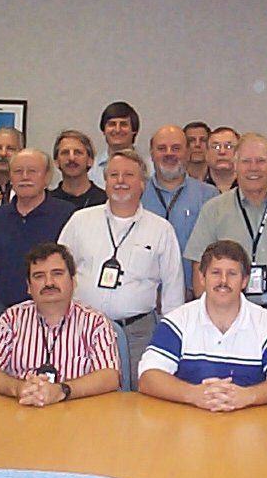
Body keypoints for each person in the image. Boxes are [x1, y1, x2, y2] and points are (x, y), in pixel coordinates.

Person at [58, 149, 184, 379]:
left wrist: (170, 340)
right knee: (82, 398)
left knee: (136, 401)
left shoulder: (161, 229)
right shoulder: (80, 221)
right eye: (114, 175)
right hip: (82, 331)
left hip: (136, 334)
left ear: (142, 184)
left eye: (128, 175)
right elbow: (59, 274)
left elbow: (173, 291)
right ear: (105, 182)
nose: (120, 181)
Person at [138, 240, 267, 410]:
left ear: (245, 280)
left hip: (251, 427)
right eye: (215, 273)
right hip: (188, 426)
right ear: (202, 278)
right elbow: (148, 377)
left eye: (232, 274)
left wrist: (248, 396)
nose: (223, 281)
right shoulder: (177, 322)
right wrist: (194, 395)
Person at [186, 133, 267, 346]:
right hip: (226, 314)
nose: (254, 168)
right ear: (235, 166)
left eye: (261, 161)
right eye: (246, 161)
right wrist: (208, 318)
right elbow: (199, 266)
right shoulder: (213, 210)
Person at [0, 242, 120, 405]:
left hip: (78, 416)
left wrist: (62, 391)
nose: (49, 282)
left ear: (73, 281)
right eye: (39, 276)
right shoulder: (11, 319)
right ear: (29, 286)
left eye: (57, 274)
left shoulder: (95, 322)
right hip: (22, 412)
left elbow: (110, 376)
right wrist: (18, 388)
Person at [0, 149, 75, 321]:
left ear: (47, 177)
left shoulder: (67, 215)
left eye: (32, 171)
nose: (25, 177)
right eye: (18, 172)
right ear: (10, 177)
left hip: (52, 312)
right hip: (4, 313)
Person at [141, 125, 218, 296]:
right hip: (145, 297)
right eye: (162, 148)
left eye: (176, 148)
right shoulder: (137, 194)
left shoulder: (209, 196)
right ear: (152, 154)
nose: (169, 153)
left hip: (192, 295)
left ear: (188, 153)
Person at [89, 101, 147, 188]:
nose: (117, 130)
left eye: (123, 124)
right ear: (103, 130)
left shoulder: (150, 168)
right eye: (112, 124)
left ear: (134, 130)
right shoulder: (91, 169)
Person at [50, 129, 107, 210]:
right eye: (65, 153)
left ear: (90, 161)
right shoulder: (48, 203)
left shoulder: (105, 202)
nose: (71, 158)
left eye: (78, 152)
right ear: (56, 162)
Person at [205, 125, 240, 193]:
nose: (222, 152)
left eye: (229, 146)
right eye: (216, 147)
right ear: (206, 154)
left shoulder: (251, 186)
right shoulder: (196, 190)